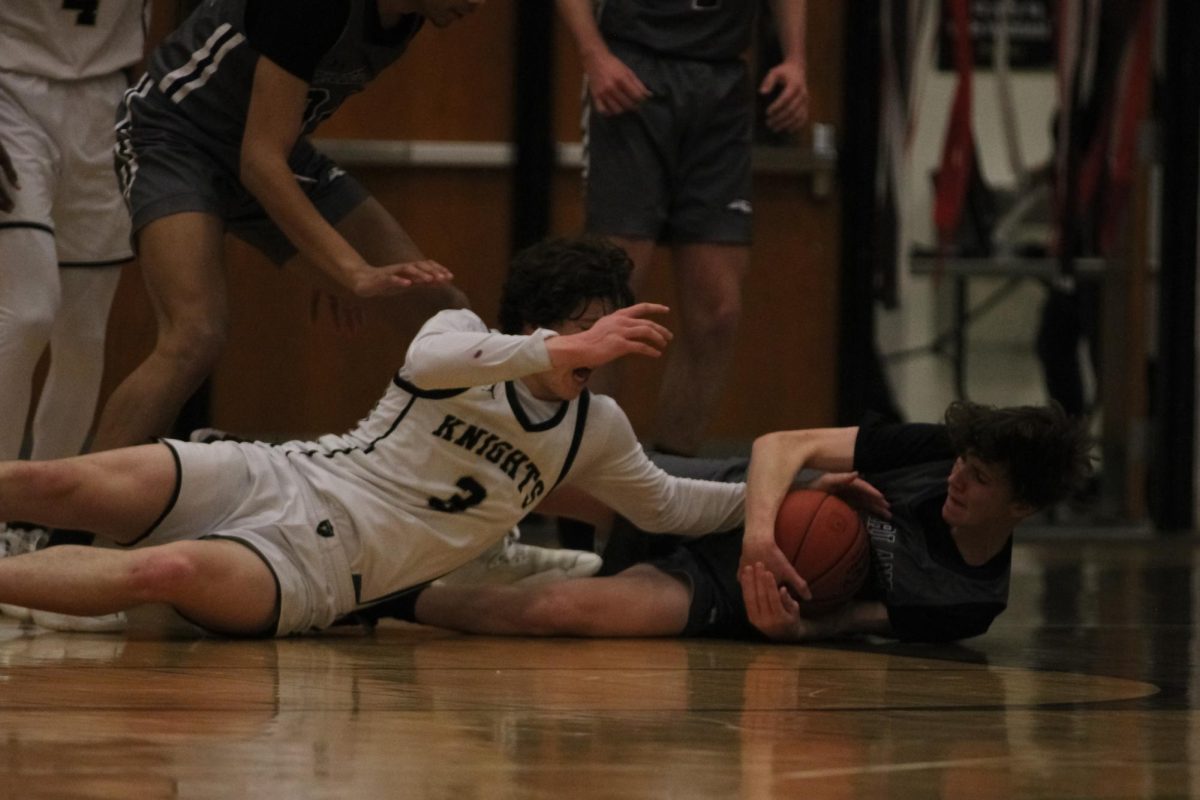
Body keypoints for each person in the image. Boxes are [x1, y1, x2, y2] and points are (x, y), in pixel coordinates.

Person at [0, 237, 745, 637]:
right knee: (54, 483)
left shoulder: (595, 428)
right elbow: (427, 361)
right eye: (592, 333)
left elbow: (671, 508)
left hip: (324, 572)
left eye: (610, 336)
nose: (603, 351)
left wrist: (781, 488)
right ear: (530, 326)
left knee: (158, 575)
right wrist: (562, 349)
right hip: (275, 475)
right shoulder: (460, 337)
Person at [92, 0, 480, 455]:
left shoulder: (408, 18)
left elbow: (273, 137)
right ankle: (72, 520)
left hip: (274, 150)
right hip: (177, 138)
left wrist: (328, 251)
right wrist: (348, 268)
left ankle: (479, 489)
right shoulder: (310, 7)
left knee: (442, 310)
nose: (478, 5)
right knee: (195, 335)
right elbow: (261, 162)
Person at [407, 401, 1093, 642]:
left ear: (1022, 507)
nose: (957, 477)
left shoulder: (968, 602)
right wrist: (763, 531)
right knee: (551, 480)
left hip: (744, 592)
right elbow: (779, 446)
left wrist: (792, 630)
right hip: (749, 502)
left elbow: (848, 625)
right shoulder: (934, 451)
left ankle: (390, 599)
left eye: (979, 478)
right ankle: (379, 508)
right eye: (962, 463)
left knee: (557, 611)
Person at [555, 0, 810, 457]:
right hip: (633, 68)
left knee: (718, 310)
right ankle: (586, 480)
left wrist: (795, 59)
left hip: (722, 79)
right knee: (612, 292)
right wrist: (593, 53)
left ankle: (673, 480)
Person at [0, 0, 160, 630]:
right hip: (8, 86)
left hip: (108, 99)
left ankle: (44, 534)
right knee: (27, 309)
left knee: (84, 329)